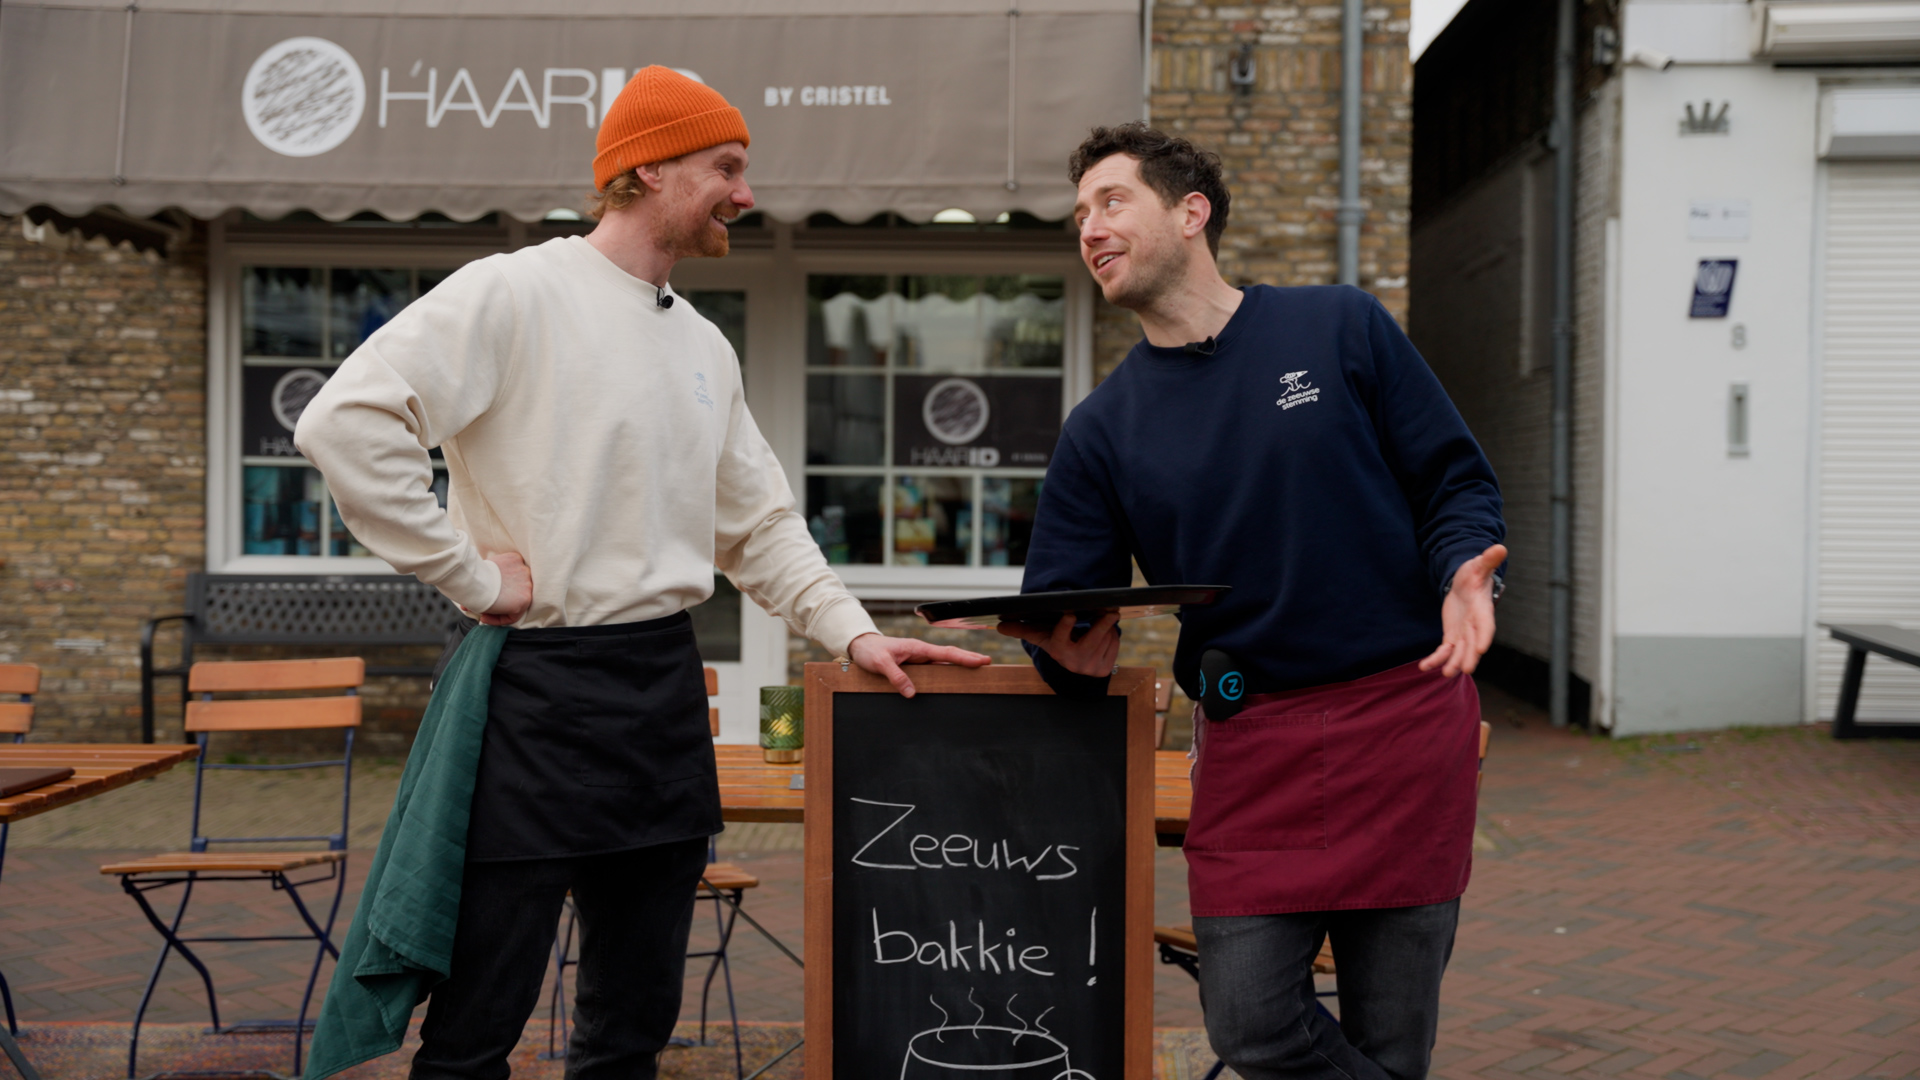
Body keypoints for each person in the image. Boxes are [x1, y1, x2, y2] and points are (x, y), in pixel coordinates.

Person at [296, 67, 988, 1080]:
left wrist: (852, 632)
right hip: (533, 695)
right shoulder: (516, 292)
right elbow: (344, 422)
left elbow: (757, 524)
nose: (745, 195)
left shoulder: (703, 344)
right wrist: (471, 579)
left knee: (633, 1026)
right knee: (475, 1028)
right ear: (645, 169)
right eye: (726, 167)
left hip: (661, 696)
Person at [999, 123, 1507, 1080]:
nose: (1090, 230)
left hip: (1404, 721)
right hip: (1252, 745)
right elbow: (1062, 606)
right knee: (1251, 1025)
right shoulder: (1102, 430)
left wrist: (1464, 570)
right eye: (1078, 216)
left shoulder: (1340, 328)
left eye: (1112, 202)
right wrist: (1063, 657)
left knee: (1394, 1041)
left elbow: (1454, 485)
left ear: (1191, 214)